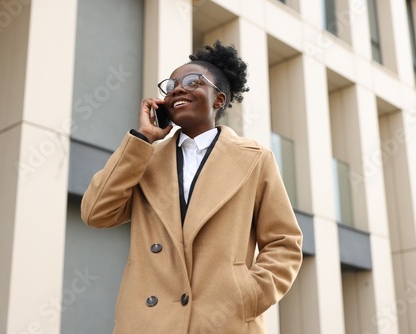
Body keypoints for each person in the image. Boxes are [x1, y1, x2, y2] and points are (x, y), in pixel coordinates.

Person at [81, 41, 303, 334]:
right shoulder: (144, 159)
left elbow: (284, 243)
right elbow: (96, 213)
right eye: (170, 85)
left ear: (219, 99)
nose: (177, 89)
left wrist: (247, 294)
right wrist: (142, 140)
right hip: (149, 324)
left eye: (191, 82)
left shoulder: (254, 158)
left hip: (223, 320)